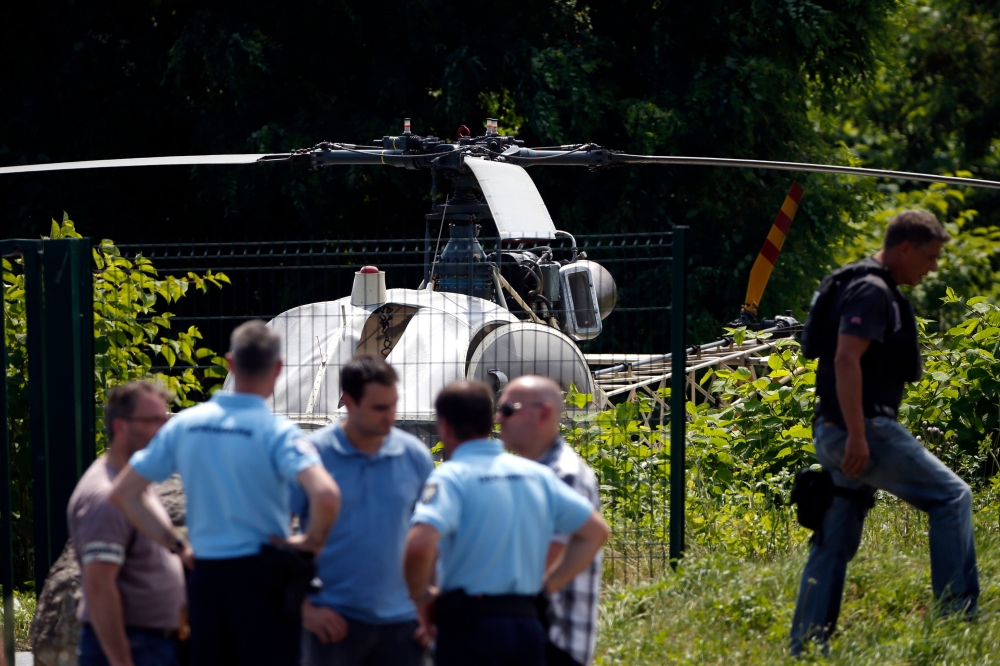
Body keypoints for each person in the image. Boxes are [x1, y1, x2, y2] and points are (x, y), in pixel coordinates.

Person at [789, 210, 978, 655]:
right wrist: (858, 434)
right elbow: (844, 360)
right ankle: (958, 623)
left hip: (840, 429)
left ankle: (806, 647)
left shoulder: (866, 285)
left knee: (834, 540)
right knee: (952, 498)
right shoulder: (872, 291)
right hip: (861, 428)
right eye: (929, 258)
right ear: (905, 248)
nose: (932, 269)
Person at [110, 321, 342, 666]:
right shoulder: (277, 432)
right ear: (278, 368)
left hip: (206, 578)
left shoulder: (186, 424)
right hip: (265, 579)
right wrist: (311, 542)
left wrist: (175, 545)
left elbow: (124, 493)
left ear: (230, 363)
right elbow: (325, 495)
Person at [403, 381, 609, 666]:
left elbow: (419, 545)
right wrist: (543, 587)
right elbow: (597, 531)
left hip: (469, 629)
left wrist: (421, 600)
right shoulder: (537, 475)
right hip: (526, 626)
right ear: (489, 423)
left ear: (445, 427)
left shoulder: (451, 477)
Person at [292, 356, 434, 666]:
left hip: (402, 625)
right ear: (348, 402)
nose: (390, 417)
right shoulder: (311, 456)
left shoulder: (415, 456)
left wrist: (428, 607)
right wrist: (304, 610)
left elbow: (432, 537)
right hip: (332, 625)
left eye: (394, 405)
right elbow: (270, 535)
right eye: (379, 408)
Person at [69, 381, 186, 666]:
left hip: (151, 643)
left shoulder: (132, 480)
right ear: (121, 427)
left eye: (165, 420)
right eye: (152, 421)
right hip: (133, 647)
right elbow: (99, 587)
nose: (163, 431)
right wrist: (121, 660)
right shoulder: (104, 497)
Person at [497, 376, 601, 666]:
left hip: (552, 640)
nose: (498, 417)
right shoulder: (535, 471)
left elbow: (542, 560)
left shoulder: (561, 474)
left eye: (508, 410)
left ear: (542, 413)